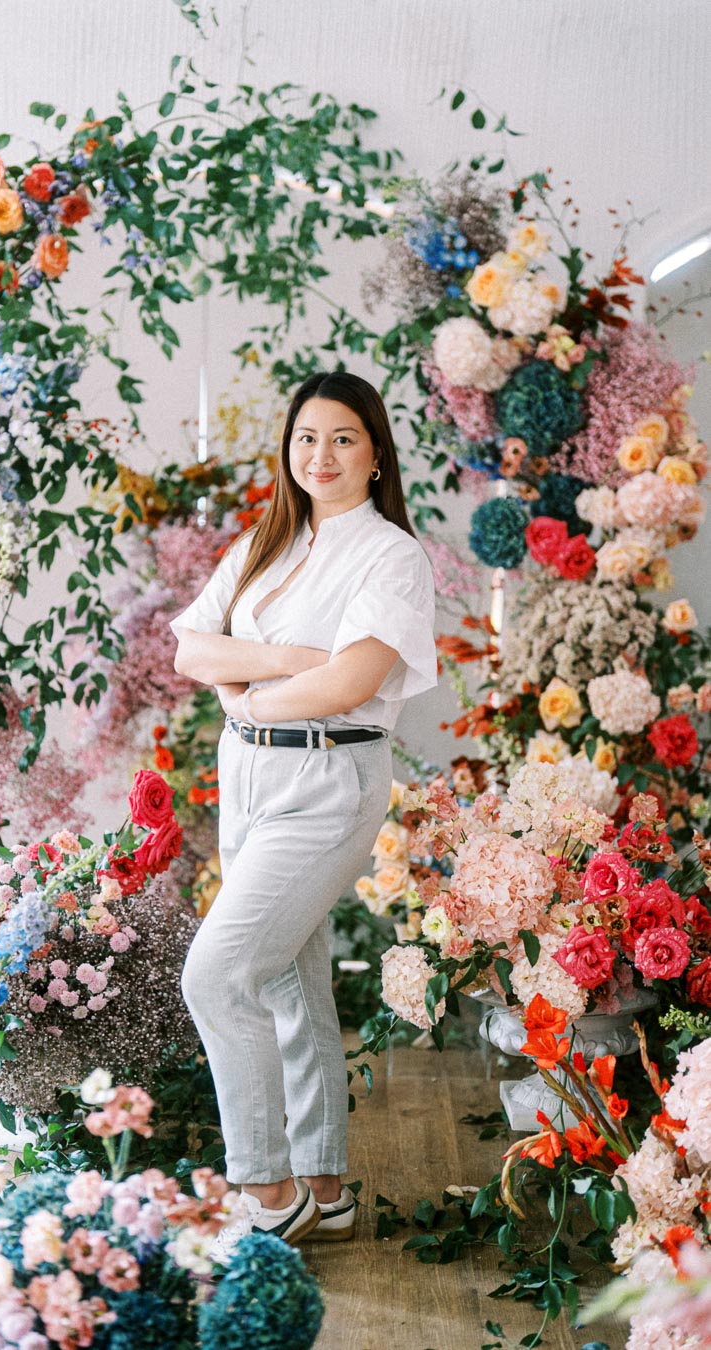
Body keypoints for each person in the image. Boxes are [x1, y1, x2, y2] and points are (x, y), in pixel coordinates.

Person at [170, 370, 437, 1247]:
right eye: (306, 439)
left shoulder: (391, 555)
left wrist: (250, 694)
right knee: (287, 974)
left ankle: (266, 1189)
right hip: (248, 780)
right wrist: (289, 657)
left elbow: (353, 681)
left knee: (217, 974)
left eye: (343, 439)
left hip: (329, 782)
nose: (320, 456)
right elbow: (191, 651)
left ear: (376, 454)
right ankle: (325, 1186)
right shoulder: (264, 542)